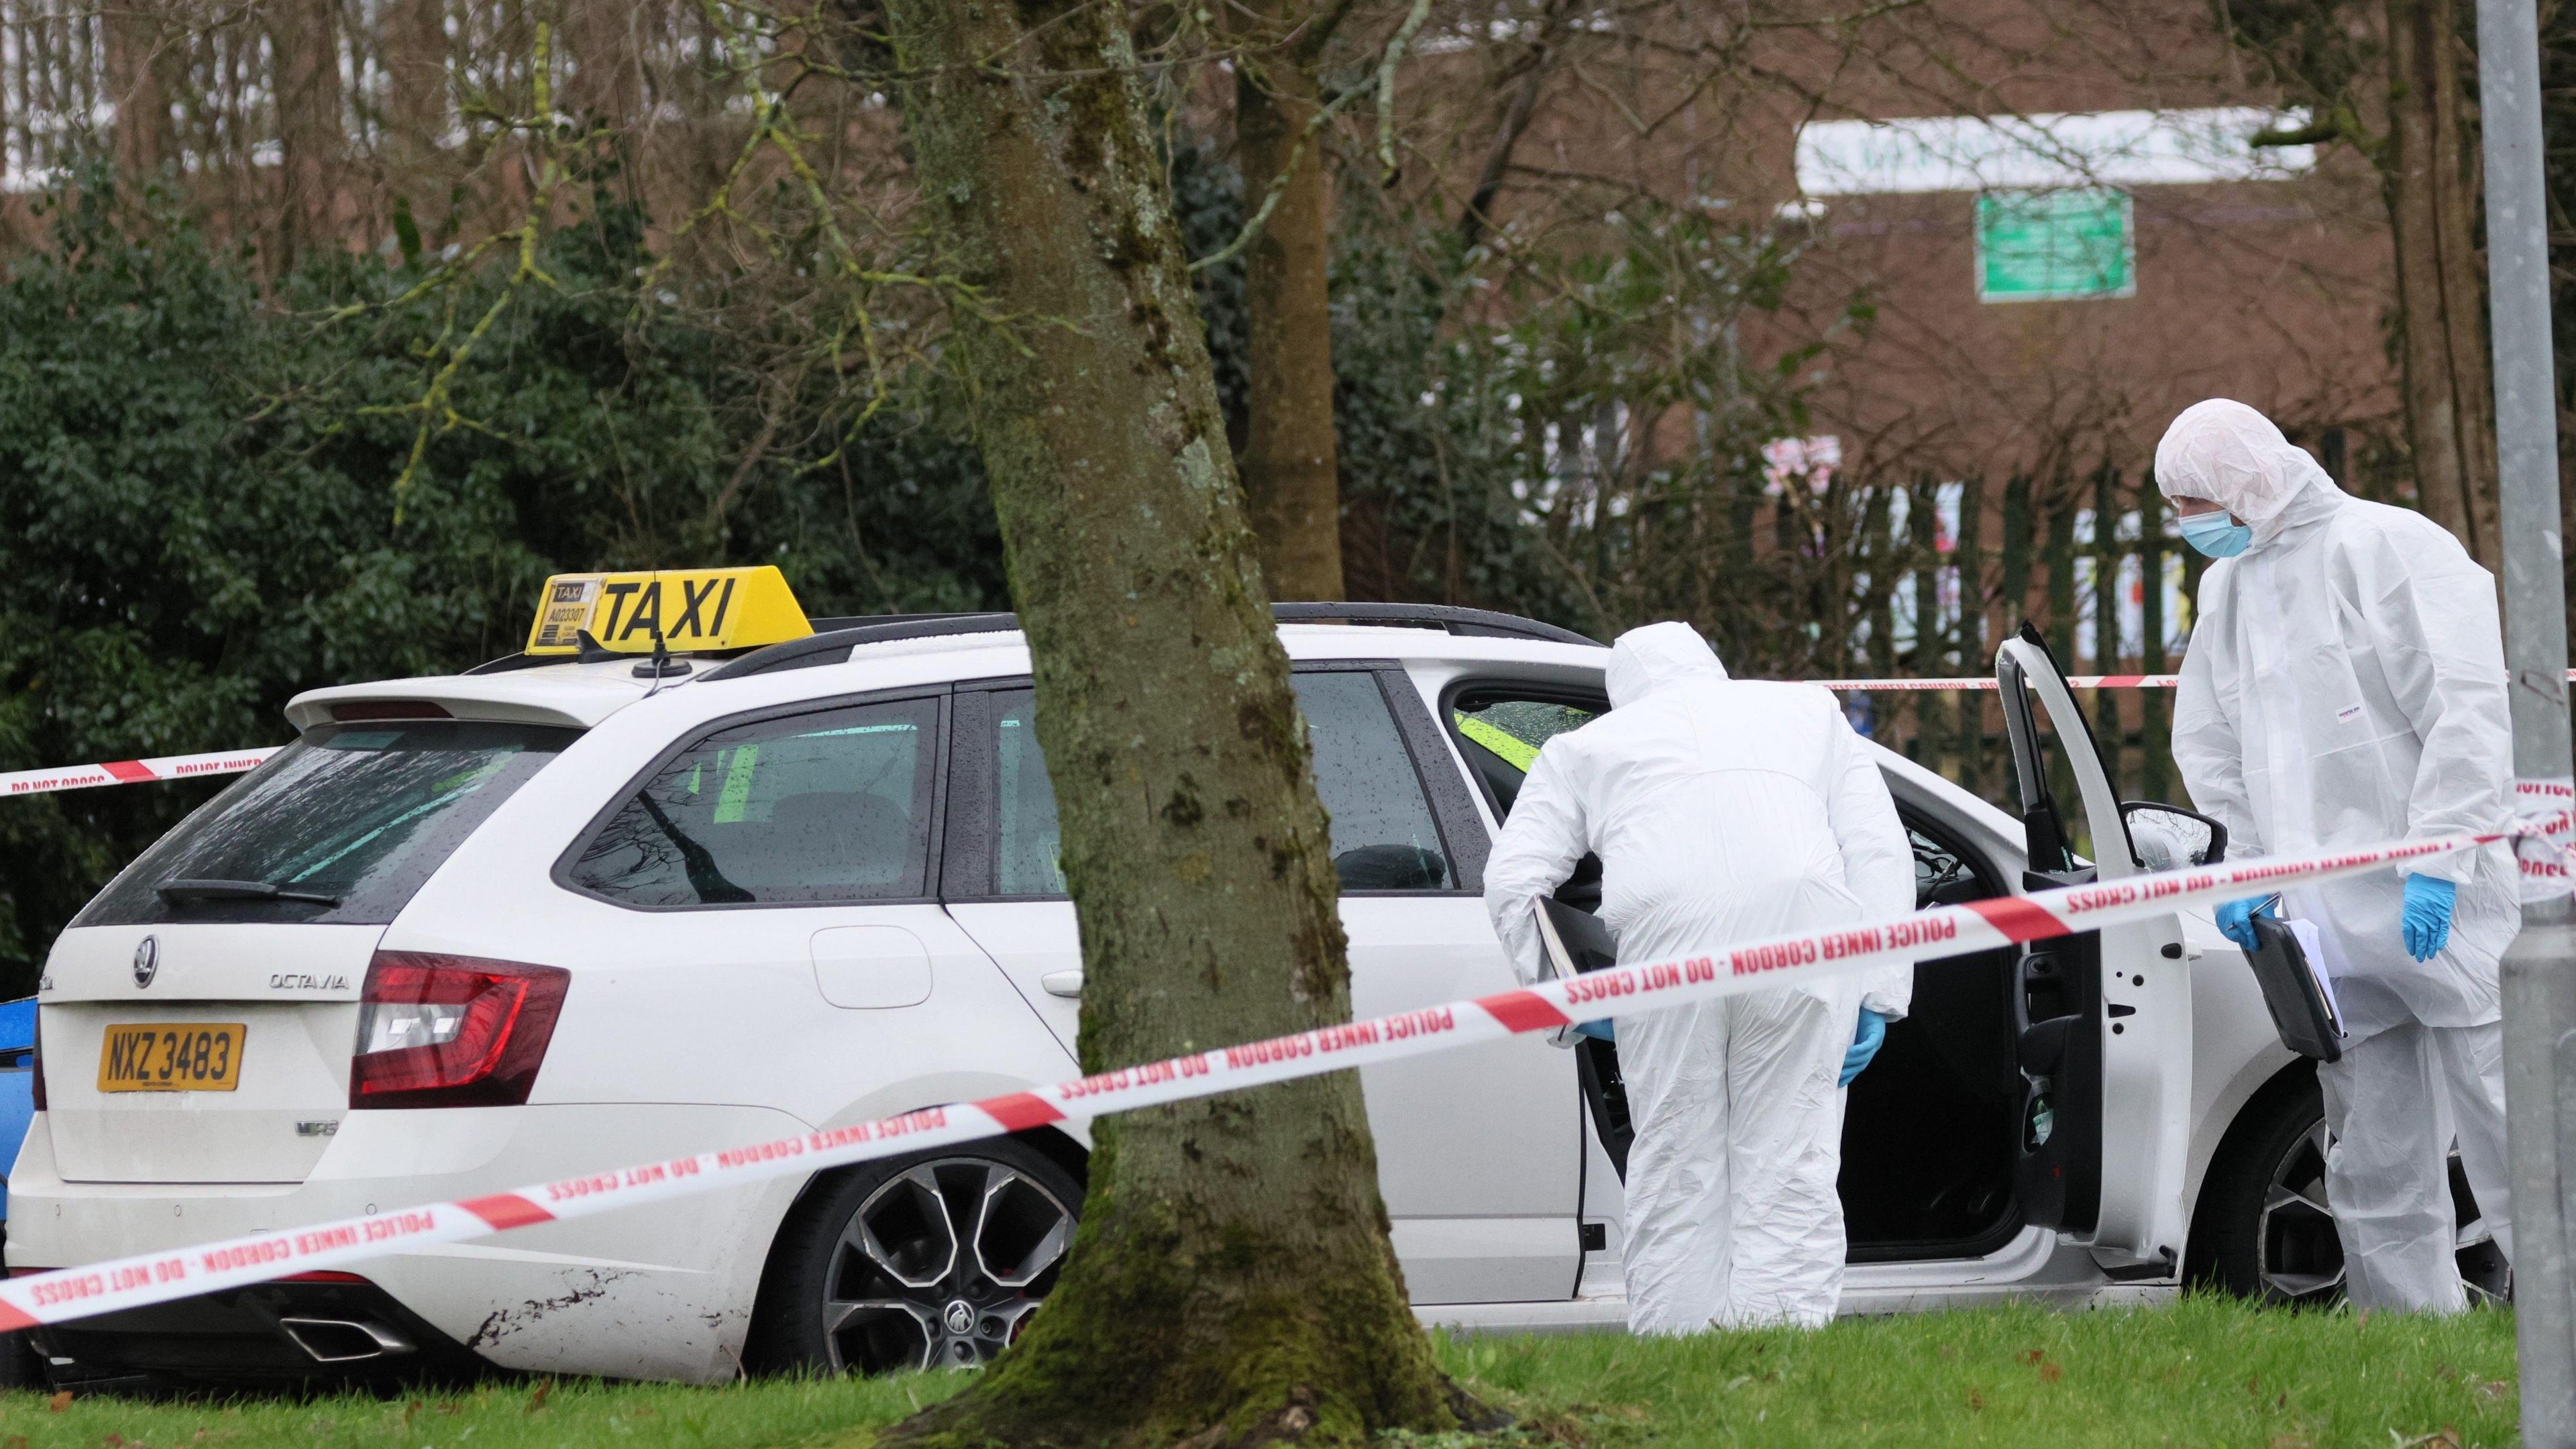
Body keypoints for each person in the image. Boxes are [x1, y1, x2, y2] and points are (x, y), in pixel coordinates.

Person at [2162, 397, 2517, 1312]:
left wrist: (2442, 858)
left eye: (2196, 499)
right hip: (2329, 923)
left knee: (2517, 1130)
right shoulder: (2229, 590)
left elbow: (2466, 712)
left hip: (2440, 903)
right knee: (2371, 1149)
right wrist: (2245, 870)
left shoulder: (2392, 549)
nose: (2187, 523)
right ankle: (2409, 1335)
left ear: (2248, 482)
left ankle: (2561, 1342)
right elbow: (2214, 741)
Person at [1483, 621, 1914, 1332]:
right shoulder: (1808, 710)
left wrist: (1568, 999)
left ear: (1621, 693)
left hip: (1664, 958)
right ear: (1710, 665)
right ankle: (1779, 1359)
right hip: (1803, 946)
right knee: (1789, 1164)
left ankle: (1682, 1360)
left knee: (1677, 1166)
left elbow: (1512, 880)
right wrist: (1877, 990)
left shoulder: (1586, 747)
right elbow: (1878, 849)